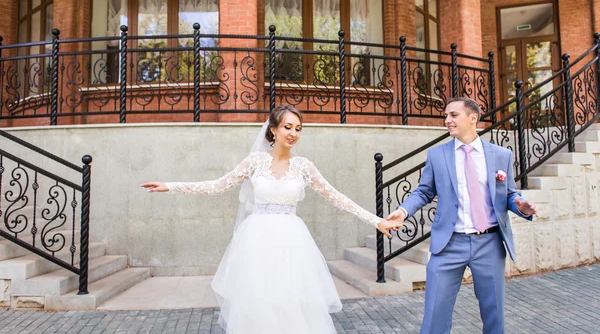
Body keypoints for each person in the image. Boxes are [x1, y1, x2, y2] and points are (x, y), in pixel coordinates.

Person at [141, 105, 400, 334]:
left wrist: (376, 220)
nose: (294, 133)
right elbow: (217, 185)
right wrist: (170, 185)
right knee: (259, 303)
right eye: (288, 127)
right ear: (273, 130)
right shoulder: (255, 161)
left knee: (292, 303)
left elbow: (337, 197)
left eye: (298, 129)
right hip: (257, 241)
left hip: (292, 242)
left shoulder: (304, 166)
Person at [386, 97, 538, 334]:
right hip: (449, 244)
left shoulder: (501, 155)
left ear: (473, 118)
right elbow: (424, 191)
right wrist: (403, 210)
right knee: (435, 313)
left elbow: (508, 194)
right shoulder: (438, 155)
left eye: (453, 115)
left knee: (494, 314)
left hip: (489, 243)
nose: (447, 120)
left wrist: (520, 207)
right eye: (446, 116)